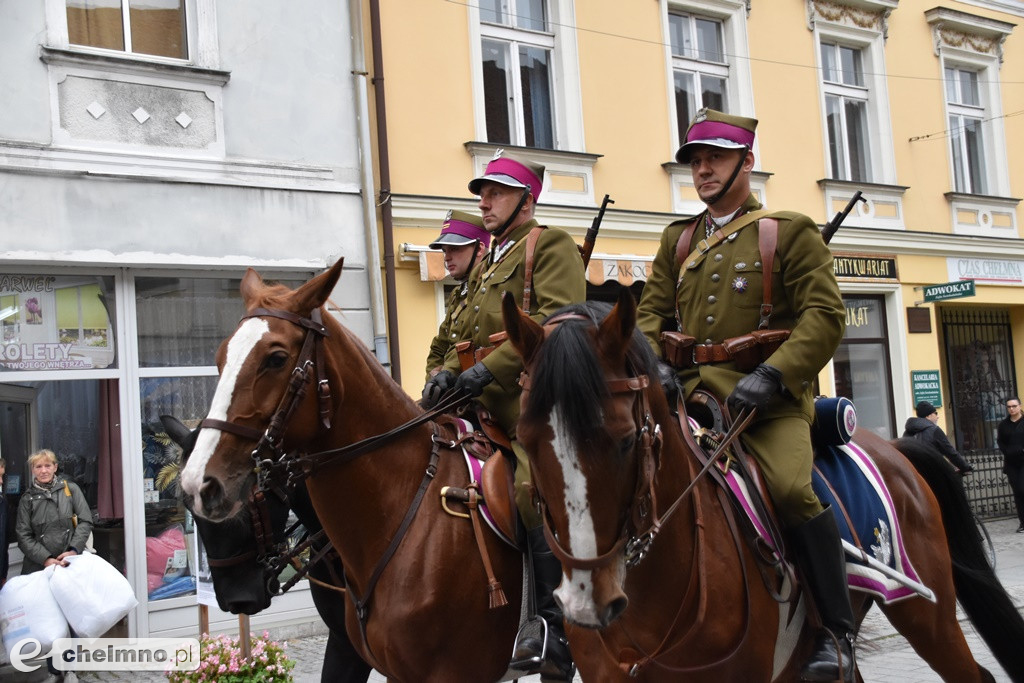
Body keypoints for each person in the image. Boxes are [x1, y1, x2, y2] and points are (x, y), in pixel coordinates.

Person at [636, 108, 854, 682]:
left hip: (766, 405)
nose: (702, 170)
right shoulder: (677, 240)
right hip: (688, 400)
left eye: (714, 159)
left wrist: (777, 374)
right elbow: (650, 314)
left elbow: (825, 316)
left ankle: (837, 633)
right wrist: (654, 363)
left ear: (746, 163)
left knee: (790, 489)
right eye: (696, 161)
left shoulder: (786, 229)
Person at [421, 150, 586, 681]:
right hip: (477, 405)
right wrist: (447, 372)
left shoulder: (549, 245)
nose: (483, 201)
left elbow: (555, 321)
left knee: (526, 489)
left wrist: (487, 370)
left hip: (528, 404)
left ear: (525, 199)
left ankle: (551, 626)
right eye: (482, 193)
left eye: (495, 192)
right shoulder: (491, 260)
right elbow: (462, 338)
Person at [422, 209, 491, 392]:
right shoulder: (458, 294)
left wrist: (448, 372)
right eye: (445, 251)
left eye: (454, 249)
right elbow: (440, 346)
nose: (447, 257)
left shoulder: (491, 288)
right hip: (452, 388)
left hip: (480, 388)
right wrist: (434, 378)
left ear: (479, 249)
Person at [16, 449, 94, 574]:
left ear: (55, 467)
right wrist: (45, 559)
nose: (43, 471)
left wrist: (73, 551)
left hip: (70, 563)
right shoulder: (27, 499)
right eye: (38, 466)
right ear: (33, 470)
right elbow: (23, 535)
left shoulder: (70, 489)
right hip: (38, 567)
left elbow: (85, 521)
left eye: (48, 466)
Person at [902, 401, 973, 475]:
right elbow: (950, 452)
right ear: (928, 416)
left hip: (912, 474)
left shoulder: (908, 432)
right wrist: (965, 467)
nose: (937, 416)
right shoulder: (934, 430)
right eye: (935, 413)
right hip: (932, 473)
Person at [997, 397, 1024, 533]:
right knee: (1018, 492)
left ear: (1020, 406)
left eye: (1014, 406)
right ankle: (1023, 522)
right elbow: (1000, 441)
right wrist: (1007, 451)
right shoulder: (1003, 425)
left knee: (1022, 488)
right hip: (1011, 463)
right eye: (1009, 407)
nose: (1011, 409)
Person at [0, 457, 9, 586]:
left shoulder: (2, 502)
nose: (1, 481)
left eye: (2, 476)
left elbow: (3, 542)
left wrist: (3, 573)